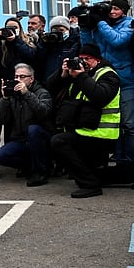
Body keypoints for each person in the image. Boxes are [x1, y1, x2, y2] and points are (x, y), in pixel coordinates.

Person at [79, 0, 134, 172]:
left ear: (124, 11)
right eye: (111, 9)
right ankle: (119, 160)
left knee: (128, 125)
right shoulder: (103, 24)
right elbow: (89, 47)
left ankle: (133, 165)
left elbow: (117, 41)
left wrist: (100, 23)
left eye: (116, 9)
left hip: (126, 80)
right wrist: (85, 27)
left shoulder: (129, 24)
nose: (112, 12)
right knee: (114, 124)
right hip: (105, 79)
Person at [48, 44, 120, 198]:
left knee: (59, 142)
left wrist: (81, 76)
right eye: (81, 59)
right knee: (56, 140)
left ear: (97, 60)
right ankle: (91, 176)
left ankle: (90, 184)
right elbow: (49, 87)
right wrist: (63, 74)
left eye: (88, 59)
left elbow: (100, 96)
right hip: (84, 129)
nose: (84, 62)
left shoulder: (108, 75)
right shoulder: (79, 74)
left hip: (102, 134)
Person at [0, 63, 53, 187]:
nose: (18, 80)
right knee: (0, 156)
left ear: (31, 79)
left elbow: (43, 112)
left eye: (22, 77)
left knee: (33, 129)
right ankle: (29, 166)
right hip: (21, 139)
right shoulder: (13, 95)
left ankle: (41, 172)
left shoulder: (42, 92)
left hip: (42, 139)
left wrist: (27, 94)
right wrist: (4, 98)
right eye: (16, 77)